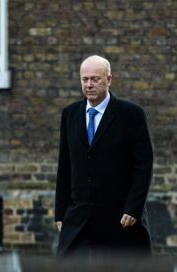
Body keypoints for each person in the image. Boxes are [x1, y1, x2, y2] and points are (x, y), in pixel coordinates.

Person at [54, 55, 154, 256]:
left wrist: (133, 208)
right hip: (78, 218)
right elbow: (65, 165)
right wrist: (60, 212)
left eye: (95, 79)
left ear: (109, 80)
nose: (89, 85)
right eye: (85, 79)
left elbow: (144, 165)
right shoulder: (70, 114)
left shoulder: (131, 115)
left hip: (119, 219)